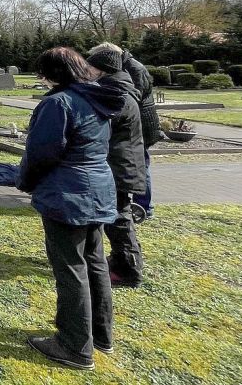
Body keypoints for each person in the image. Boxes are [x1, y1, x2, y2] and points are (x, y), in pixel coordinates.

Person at [18, 47, 124, 370]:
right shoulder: (97, 99)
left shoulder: (58, 103)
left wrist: (23, 178)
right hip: (97, 191)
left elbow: (42, 153)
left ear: (55, 74)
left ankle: (74, 345)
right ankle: (99, 334)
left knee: (70, 268)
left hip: (68, 195)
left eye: (44, 73)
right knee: (94, 263)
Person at [88, 44, 147, 287]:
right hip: (121, 162)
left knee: (119, 219)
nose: (87, 71)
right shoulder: (119, 88)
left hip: (118, 165)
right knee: (117, 217)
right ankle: (121, 261)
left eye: (90, 66)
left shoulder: (116, 94)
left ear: (102, 69)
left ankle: (128, 270)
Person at [120, 49, 161, 218]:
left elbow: (135, 95)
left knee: (141, 166)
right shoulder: (129, 65)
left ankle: (143, 206)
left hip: (142, 126)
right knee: (139, 164)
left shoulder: (135, 68)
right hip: (138, 123)